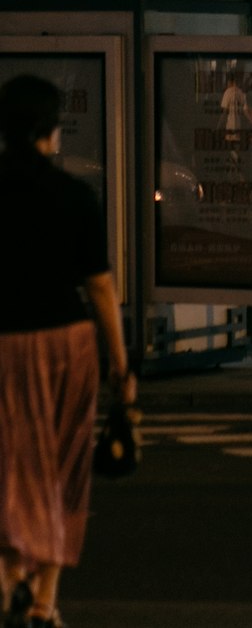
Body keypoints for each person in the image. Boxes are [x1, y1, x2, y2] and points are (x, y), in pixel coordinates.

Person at [0, 74, 136, 628]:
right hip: (66, 344)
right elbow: (100, 286)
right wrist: (120, 364)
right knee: (63, 469)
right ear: (49, 131)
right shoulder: (75, 196)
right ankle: (43, 601)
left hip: (3, 343)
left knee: (10, 465)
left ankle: (10, 574)